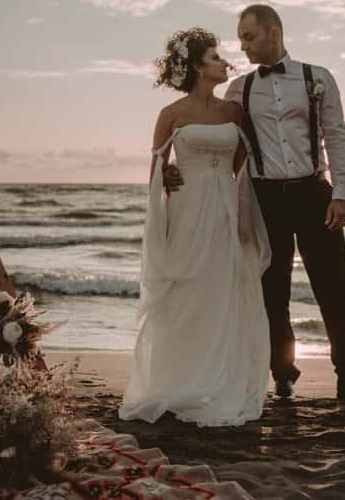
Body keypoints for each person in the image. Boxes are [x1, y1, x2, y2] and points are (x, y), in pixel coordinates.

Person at [168, 4, 345, 403]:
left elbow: (337, 137)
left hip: (314, 194)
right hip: (264, 199)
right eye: (241, 39)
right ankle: (283, 375)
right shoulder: (238, 90)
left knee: (334, 289)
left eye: (249, 37)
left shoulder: (318, 78)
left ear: (273, 32)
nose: (243, 46)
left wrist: (341, 194)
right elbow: (213, 135)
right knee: (272, 293)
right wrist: (175, 165)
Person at [119, 27, 271, 427]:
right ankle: (178, 378)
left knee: (222, 290)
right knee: (185, 291)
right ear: (196, 67)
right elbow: (155, 172)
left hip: (224, 209)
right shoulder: (171, 114)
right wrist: (168, 174)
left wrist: (235, 207)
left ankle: (218, 379)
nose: (224, 63)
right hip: (187, 210)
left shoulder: (233, 113)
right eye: (215, 57)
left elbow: (241, 166)